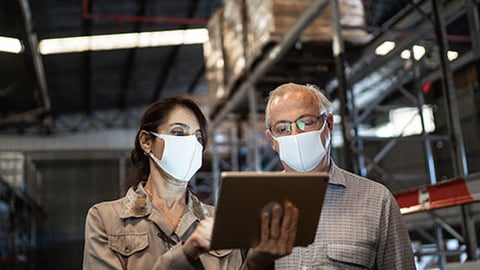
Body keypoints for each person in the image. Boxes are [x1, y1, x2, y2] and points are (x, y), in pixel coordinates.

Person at [82, 96, 298, 269]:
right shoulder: (105, 219)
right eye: (178, 132)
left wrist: (256, 262)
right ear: (146, 141)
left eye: (198, 137)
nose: (191, 144)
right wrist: (186, 252)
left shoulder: (219, 220)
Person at [263, 83, 416, 269]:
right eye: (282, 129)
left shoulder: (376, 201)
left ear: (328, 124)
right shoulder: (255, 206)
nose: (295, 134)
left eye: (306, 122)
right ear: (272, 140)